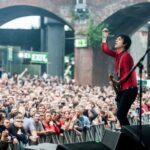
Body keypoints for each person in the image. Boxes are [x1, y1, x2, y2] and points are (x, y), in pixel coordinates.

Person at [101, 28, 138, 126]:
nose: (116, 40)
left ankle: (129, 136)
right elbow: (105, 50)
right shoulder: (118, 55)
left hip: (129, 90)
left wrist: (118, 82)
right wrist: (104, 37)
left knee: (120, 114)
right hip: (124, 90)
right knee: (121, 115)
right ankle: (127, 133)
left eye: (119, 39)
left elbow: (127, 73)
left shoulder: (126, 56)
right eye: (116, 39)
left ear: (125, 44)